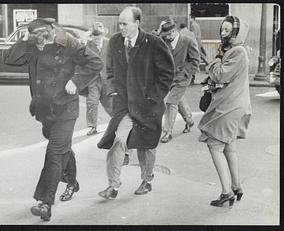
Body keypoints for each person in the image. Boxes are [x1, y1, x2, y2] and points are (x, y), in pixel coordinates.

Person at [4, 18, 103, 221]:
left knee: (54, 152)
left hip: (66, 108)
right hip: (44, 111)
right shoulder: (31, 45)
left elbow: (96, 62)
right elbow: (10, 60)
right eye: (35, 39)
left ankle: (45, 203)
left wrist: (76, 81)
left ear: (49, 32)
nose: (39, 44)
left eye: (42, 38)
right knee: (61, 147)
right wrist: (24, 40)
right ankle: (72, 182)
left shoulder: (68, 43)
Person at [97, 6, 174, 199]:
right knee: (118, 140)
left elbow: (166, 74)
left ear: (137, 23)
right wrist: (113, 90)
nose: (120, 27)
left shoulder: (153, 43)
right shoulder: (115, 41)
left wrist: (153, 98)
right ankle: (113, 186)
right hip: (125, 106)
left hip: (148, 106)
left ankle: (147, 180)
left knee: (145, 146)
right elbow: (110, 70)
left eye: (125, 23)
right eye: (119, 23)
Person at [198, 16, 251, 207]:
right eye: (223, 29)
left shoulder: (237, 51)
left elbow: (220, 74)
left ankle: (226, 192)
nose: (223, 33)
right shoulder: (236, 50)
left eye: (228, 30)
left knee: (214, 145)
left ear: (236, 33)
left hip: (229, 106)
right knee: (229, 146)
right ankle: (236, 186)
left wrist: (216, 60)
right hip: (234, 104)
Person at [159, 18, 200, 143]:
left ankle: (167, 132)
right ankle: (189, 120)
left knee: (171, 102)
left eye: (168, 35)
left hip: (182, 78)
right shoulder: (164, 41)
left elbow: (195, 61)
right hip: (168, 78)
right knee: (178, 99)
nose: (167, 38)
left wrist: (185, 73)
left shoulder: (188, 41)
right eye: (164, 35)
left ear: (173, 31)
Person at [83, 22, 113, 136]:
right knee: (92, 102)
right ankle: (92, 126)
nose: (96, 38)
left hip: (106, 78)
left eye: (98, 35)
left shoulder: (109, 44)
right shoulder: (88, 45)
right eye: (94, 35)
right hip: (93, 79)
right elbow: (81, 56)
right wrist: (86, 38)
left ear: (102, 35)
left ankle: (116, 121)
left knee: (109, 103)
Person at [189, 14, 208, 84]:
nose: (188, 19)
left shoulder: (193, 25)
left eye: (189, 18)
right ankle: (209, 67)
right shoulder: (196, 24)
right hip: (199, 42)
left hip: (196, 42)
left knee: (198, 57)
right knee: (202, 56)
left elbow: (193, 35)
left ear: (192, 18)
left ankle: (209, 67)